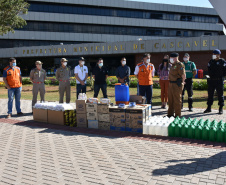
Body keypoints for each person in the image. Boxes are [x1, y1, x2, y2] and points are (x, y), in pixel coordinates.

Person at [204, 49, 226, 114]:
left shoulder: (222, 62)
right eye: (213, 54)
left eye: (215, 54)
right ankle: (209, 108)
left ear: (218, 55)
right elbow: (209, 69)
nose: (213, 55)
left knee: (220, 95)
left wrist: (223, 77)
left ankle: (220, 108)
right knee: (210, 94)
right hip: (211, 80)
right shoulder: (211, 61)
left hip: (219, 80)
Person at [167, 53, 186, 117]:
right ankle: (170, 114)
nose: (170, 59)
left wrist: (183, 82)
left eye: (171, 58)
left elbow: (183, 75)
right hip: (171, 84)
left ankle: (177, 115)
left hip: (176, 84)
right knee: (170, 100)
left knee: (177, 100)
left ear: (175, 58)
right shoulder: (173, 65)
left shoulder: (179, 65)